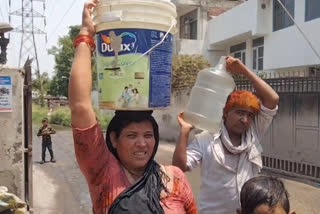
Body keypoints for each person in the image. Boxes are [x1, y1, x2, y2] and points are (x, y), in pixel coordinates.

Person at [68, 1, 197, 213]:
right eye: (131, 136)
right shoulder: (103, 173)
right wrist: (85, 35)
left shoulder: (175, 179)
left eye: (148, 135)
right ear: (113, 139)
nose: (142, 143)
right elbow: (80, 107)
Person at [172, 56, 279, 214]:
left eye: (250, 115)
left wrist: (243, 70)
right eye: (239, 112)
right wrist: (184, 131)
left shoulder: (253, 132)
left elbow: (273, 98)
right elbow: (180, 167)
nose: (245, 120)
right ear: (225, 113)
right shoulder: (206, 139)